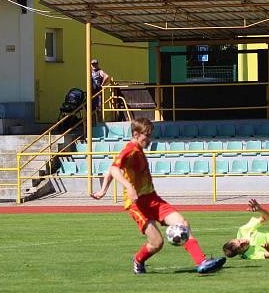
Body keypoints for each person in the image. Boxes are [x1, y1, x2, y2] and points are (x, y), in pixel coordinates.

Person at [90, 117, 226, 274]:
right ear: (135, 134)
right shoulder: (130, 150)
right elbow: (114, 169)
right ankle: (138, 259)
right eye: (146, 136)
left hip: (153, 199)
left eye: (150, 135)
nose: (149, 139)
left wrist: (103, 190)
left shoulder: (138, 150)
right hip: (137, 204)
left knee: (183, 224)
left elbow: (110, 169)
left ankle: (201, 262)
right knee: (157, 243)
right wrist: (129, 187)